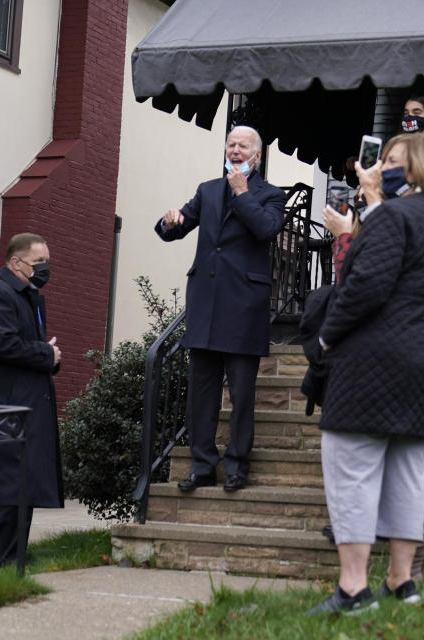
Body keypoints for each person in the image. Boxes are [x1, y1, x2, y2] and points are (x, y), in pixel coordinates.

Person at [307, 133, 424, 614]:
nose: (381, 167)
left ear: (414, 170)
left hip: (375, 361)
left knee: (351, 467)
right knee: (407, 473)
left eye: (393, 161)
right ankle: (401, 582)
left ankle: (352, 589)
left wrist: (328, 335)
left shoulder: (393, 215)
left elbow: (366, 283)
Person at [324, 169, 424, 585]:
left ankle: (405, 570)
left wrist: (345, 237)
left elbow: (361, 286)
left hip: (409, 356)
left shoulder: (401, 235)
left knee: (416, 468)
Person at [155, 125, 288, 493]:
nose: (235, 149)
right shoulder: (207, 190)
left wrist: (242, 194)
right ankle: (202, 466)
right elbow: (177, 227)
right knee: (202, 395)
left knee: (242, 396)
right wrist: (169, 223)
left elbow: (265, 230)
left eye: (243, 146)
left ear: (257, 156)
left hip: (244, 308)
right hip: (206, 306)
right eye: (231, 144)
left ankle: (237, 467)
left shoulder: (271, 195)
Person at [0, 233, 63, 566]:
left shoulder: (24, 296)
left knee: (10, 491)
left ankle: (0, 567)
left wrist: (49, 356)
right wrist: (45, 353)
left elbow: (22, 348)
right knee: (5, 491)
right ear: (15, 262)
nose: (45, 269)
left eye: (47, 261)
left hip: (18, 411)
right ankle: (3, 566)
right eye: (39, 262)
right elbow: (1, 345)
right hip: (0, 412)